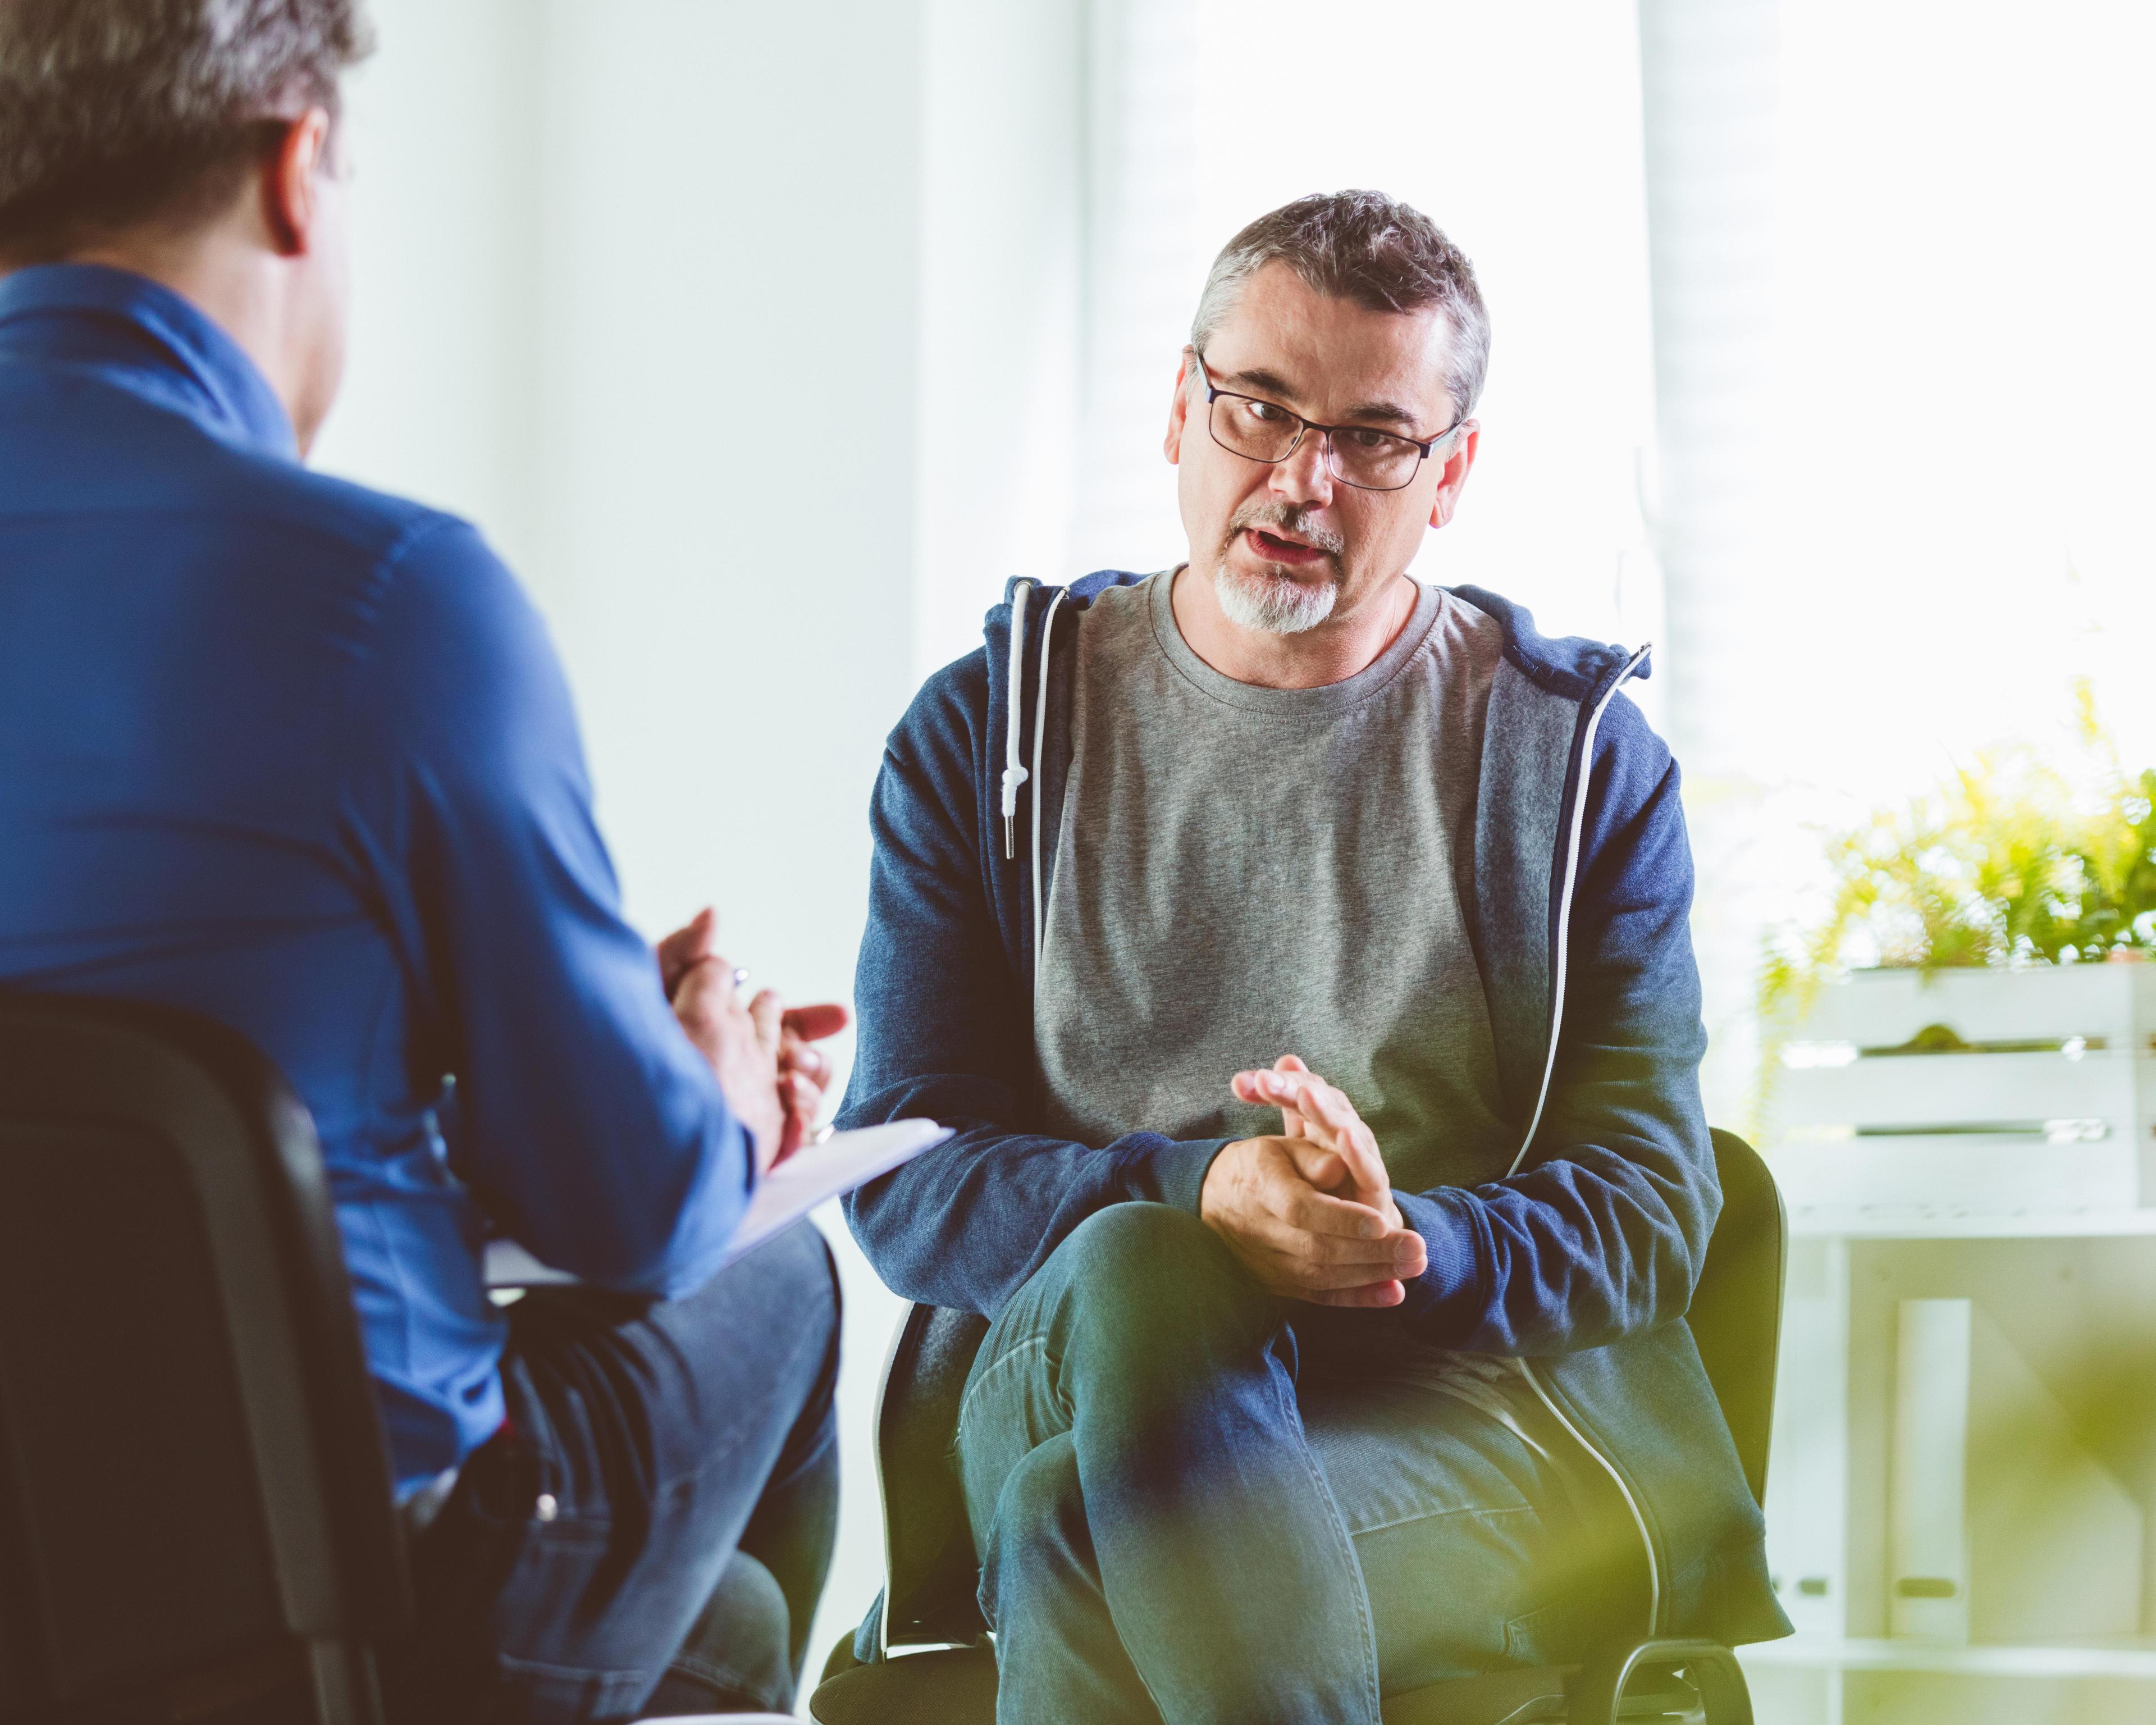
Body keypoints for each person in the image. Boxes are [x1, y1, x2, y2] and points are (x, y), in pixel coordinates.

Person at [837, 189, 1791, 1723]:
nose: (1301, 478)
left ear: (1451, 472)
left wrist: (1404, 1240)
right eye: (1258, 410)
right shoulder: (991, 737)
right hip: (1060, 1363)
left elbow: (1656, 1206)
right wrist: (1193, 1192)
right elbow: (903, 1168)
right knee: (1150, 1270)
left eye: (1372, 438)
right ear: (1178, 408)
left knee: (1086, 1535)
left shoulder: (1575, 761)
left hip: (1449, 1419)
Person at [0, 3, 844, 1717]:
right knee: (783, 1276)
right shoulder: (386, 602)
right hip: (328, 1592)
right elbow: (631, 1215)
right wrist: (721, 1083)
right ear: (298, 164)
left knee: (721, 1635)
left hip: (42, 1584)